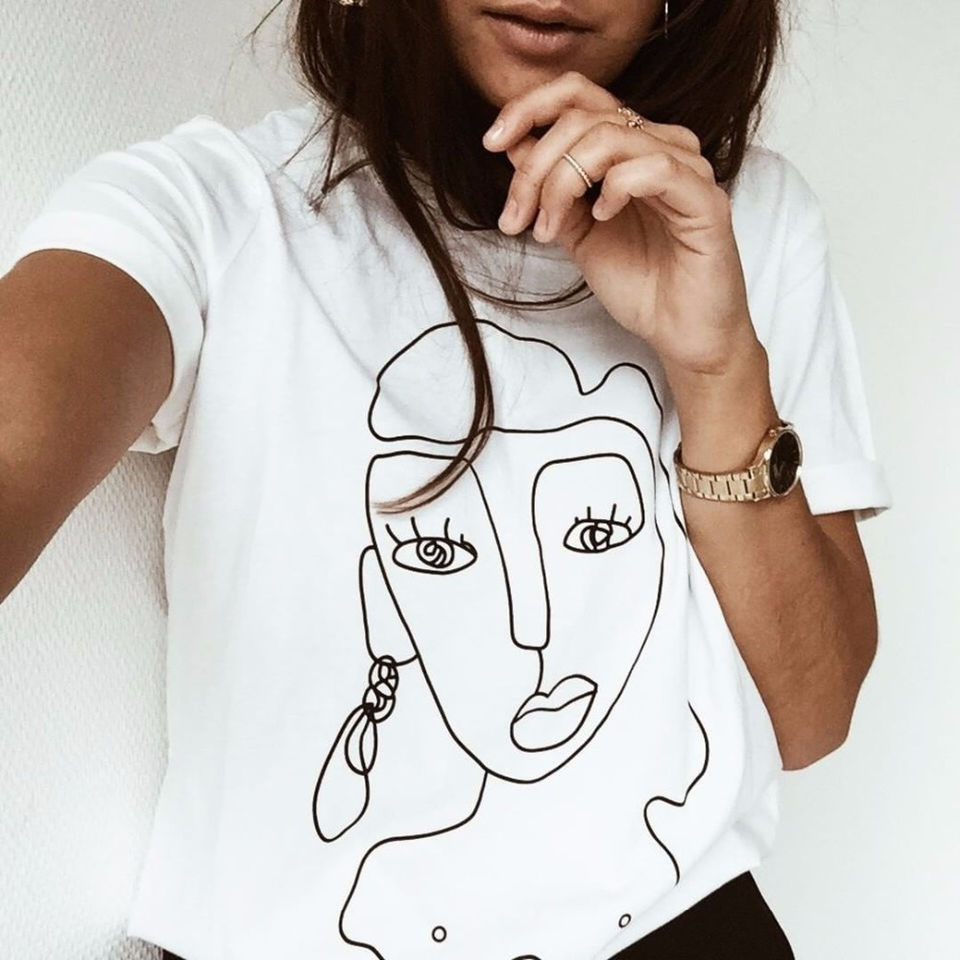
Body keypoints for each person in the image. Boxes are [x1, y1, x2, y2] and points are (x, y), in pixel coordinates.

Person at [0, 0, 894, 957]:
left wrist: (718, 370)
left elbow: (812, 716)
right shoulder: (218, 209)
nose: (530, 629)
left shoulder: (745, 216)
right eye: (437, 548)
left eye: (595, 529)